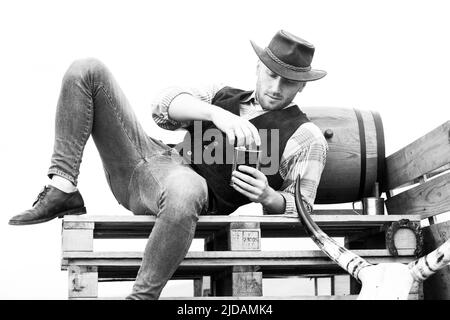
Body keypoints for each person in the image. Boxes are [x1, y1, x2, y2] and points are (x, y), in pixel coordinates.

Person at [8, 30, 328, 299]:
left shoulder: (304, 135)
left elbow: (302, 211)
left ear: (302, 86)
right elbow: (162, 107)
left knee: (185, 187)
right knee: (87, 69)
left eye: (287, 82)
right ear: (258, 67)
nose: (275, 87)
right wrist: (215, 113)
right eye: (271, 74)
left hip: (188, 194)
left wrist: (268, 197)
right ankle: (63, 187)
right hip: (147, 160)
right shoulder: (222, 95)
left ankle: (141, 296)